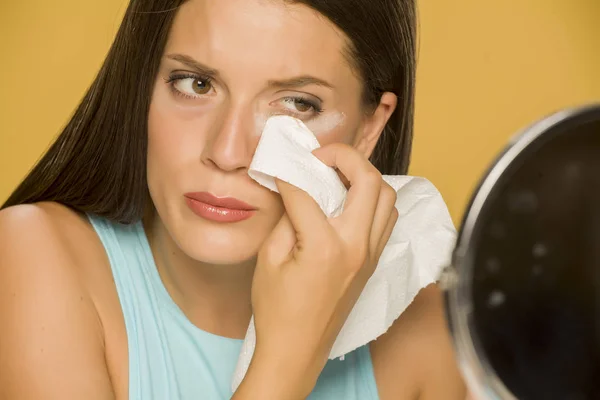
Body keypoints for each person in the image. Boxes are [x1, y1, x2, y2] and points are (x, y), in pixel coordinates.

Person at [0, 0, 466, 399]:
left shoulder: (428, 334)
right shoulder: (31, 255)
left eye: (296, 104)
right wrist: (286, 359)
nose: (226, 153)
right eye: (195, 84)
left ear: (369, 128)